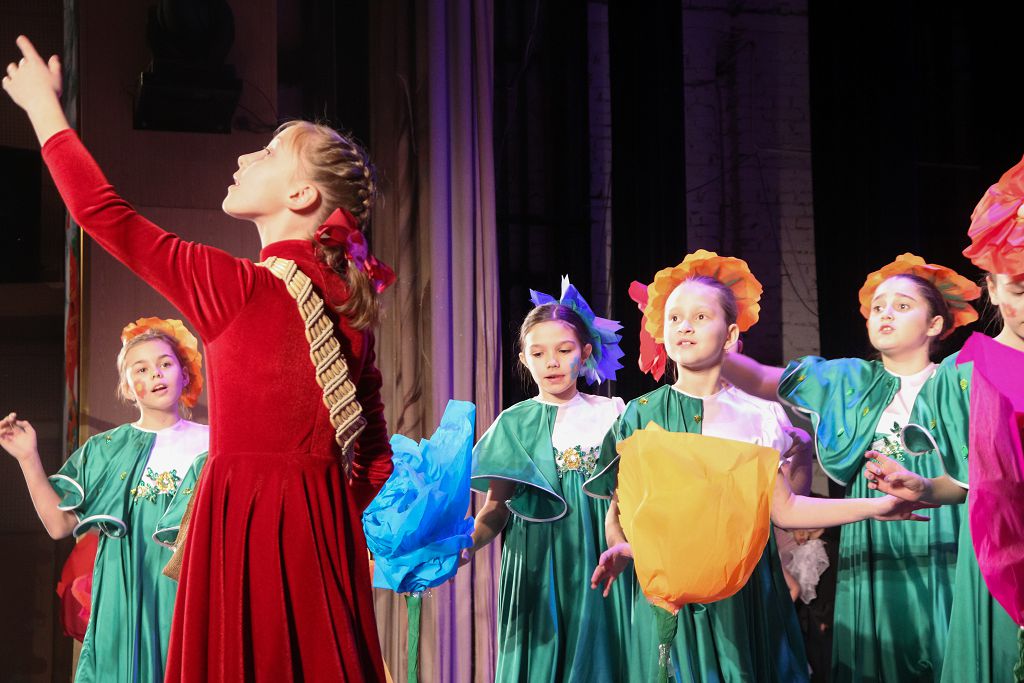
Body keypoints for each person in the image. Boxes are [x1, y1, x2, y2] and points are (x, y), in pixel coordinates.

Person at [3, 36, 394, 682]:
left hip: (243, 532)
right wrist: (321, 517)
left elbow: (105, 216)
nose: (245, 154)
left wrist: (45, 111)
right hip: (324, 544)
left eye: (268, 152)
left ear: (301, 196)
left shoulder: (241, 289)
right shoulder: (349, 316)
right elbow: (375, 457)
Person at [585, 250, 930, 682]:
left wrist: (877, 506)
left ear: (730, 335)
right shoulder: (639, 414)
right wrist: (623, 547)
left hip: (746, 594)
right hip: (669, 599)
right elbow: (619, 512)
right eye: (674, 318)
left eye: (699, 317)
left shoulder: (760, 416)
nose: (684, 326)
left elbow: (786, 509)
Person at [720, 252, 980, 682]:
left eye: (902, 306)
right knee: (881, 651)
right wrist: (714, 346)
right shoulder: (851, 382)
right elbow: (766, 379)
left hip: (947, 531)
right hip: (876, 537)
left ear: (935, 324)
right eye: (878, 307)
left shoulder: (960, 378)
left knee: (952, 640)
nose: (885, 314)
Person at [866, 158, 1024, 683]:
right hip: (1004, 566)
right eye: (1021, 290)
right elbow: (971, 483)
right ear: (994, 288)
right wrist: (924, 487)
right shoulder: (967, 372)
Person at [0, 317, 208, 682]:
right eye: (140, 369)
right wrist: (28, 458)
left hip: (190, 591)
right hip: (124, 597)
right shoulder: (105, 450)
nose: (156, 374)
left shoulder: (214, 442)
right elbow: (59, 525)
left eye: (165, 363)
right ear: (128, 388)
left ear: (185, 374)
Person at [465, 278, 632, 682]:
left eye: (564, 350)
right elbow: (495, 509)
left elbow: (630, 495)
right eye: (538, 353)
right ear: (524, 359)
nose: (552, 362)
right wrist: (462, 545)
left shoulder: (612, 412)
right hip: (537, 563)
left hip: (601, 554)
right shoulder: (514, 422)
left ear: (585, 353)